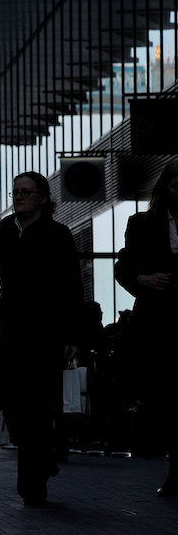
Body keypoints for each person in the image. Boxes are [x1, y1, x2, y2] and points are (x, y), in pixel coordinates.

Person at [0, 171, 83, 506]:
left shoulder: (59, 235)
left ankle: (33, 485)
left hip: (46, 333)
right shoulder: (2, 231)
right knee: (10, 403)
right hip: (11, 329)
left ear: (43, 198)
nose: (18, 197)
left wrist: (73, 334)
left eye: (26, 192)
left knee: (40, 408)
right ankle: (43, 458)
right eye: (15, 191)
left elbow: (73, 286)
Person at [115, 160, 178, 496]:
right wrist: (142, 279)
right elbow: (124, 267)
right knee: (166, 397)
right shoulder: (142, 224)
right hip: (160, 323)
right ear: (165, 189)